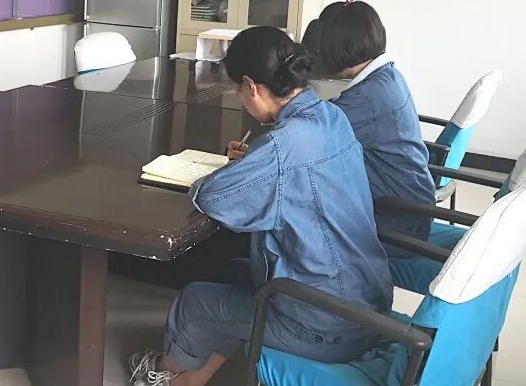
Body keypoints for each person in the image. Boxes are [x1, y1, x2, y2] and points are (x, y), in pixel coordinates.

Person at [128, 27, 393, 386]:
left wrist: (232, 170)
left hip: (326, 322)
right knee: (235, 272)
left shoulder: (283, 146)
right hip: (367, 304)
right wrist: (254, 162)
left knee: (196, 302)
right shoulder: (331, 117)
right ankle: (194, 378)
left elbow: (212, 198)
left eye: (238, 90)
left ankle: (161, 376)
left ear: (251, 86)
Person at [316, 0, 435, 243]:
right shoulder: (388, 75)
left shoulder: (366, 98)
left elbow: (311, 132)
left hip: (395, 223)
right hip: (411, 207)